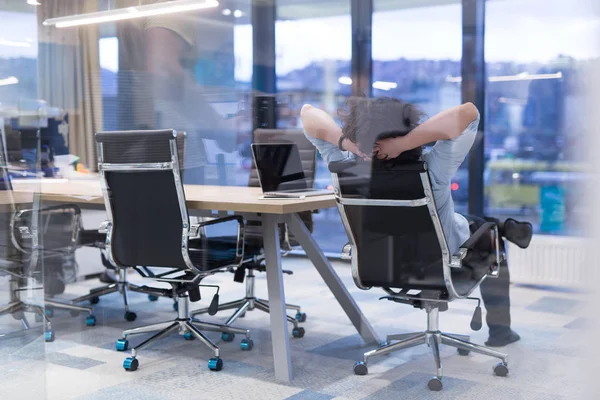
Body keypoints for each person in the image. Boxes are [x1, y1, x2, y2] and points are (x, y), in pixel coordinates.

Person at [301, 96, 532, 347]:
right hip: (443, 266)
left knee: (474, 222)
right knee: (489, 234)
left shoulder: (342, 165)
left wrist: (347, 144)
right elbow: (469, 112)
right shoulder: (432, 169)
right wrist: (404, 143)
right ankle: (501, 331)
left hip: (381, 267)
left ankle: (503, 226)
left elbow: (307, 113)